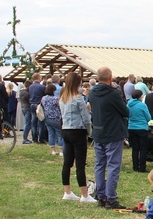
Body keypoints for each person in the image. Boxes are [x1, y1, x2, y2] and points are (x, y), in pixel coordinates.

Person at [89, 67, 130, 209]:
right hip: (113, 132)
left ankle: (101, 196)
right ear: (110, 77)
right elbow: (125, 111)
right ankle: (111, 198)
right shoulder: (113, 94)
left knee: (99, 165)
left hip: (98, 132)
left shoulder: (92, 92)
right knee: (113, 166)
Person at [59, 72, 96, 203]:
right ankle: (84, 195)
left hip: (66, 130)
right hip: (78, 131)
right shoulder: (78, 98)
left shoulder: (63, 97)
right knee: (80, 164)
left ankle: (67, 191)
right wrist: (89, 131)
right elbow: (86, 118)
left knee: (67, 163)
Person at [127, 89, 151, 173]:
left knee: (135, 149)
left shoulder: (128, 104)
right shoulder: (142, 105)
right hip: (142, 128)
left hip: (131, 127)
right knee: (143, 149)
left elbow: (127, 116)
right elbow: (148, 117)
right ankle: (142, 168)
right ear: (139, 96)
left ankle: (135, 167)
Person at [40, 84, 63, 156]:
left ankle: (53, 150)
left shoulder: (43, 98)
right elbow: (60, 107)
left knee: (51, 134)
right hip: (56, 118)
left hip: (47, 118)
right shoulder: (56, 98)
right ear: (53, 91)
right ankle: (61, 151)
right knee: (60, 134)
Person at [28, 73, 46, 144]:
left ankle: (34, 138)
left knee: (33, 122)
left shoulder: (30, 87)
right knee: (41, 122)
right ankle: (41, 139)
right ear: (38, 78)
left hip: (32, 104)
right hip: (39, 105)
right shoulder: (42, 87)